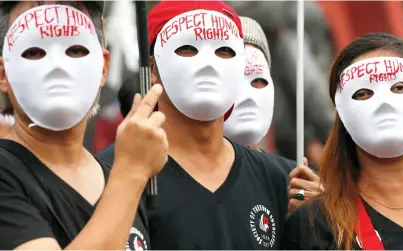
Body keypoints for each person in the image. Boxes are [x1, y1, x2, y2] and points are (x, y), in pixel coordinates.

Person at [97, 1, 291, 249]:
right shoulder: (110, 174)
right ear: (153, 68)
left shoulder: (278, 180)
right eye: (188, 48)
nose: (209, 64)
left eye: (224, 51)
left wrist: (311, 220)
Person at [0, 1, 168, 250]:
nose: (57, 66)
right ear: (3, 73)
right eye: (34, 50)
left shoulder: (116, 176)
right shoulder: (128, 175)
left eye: (76, 49)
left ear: (103, 67)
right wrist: (131, 174)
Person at [282, 32, 403, 250]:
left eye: (399, 87)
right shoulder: (315, 226)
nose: (385, 103)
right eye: (363, 93)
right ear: (341, 112)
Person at [223, 16, 323, 212]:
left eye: (259, 80)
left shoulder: (286, 178)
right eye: (235, 78)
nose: (249, 95)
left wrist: (315, 217)